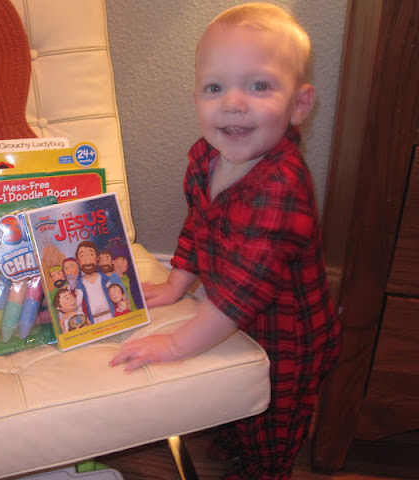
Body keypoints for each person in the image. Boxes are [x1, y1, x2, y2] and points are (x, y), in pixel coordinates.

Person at [110, 3, 341, 479]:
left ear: (299, 105)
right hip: (234, 309)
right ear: (196, 96)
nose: (233, 103)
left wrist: (175, 346)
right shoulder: (205, 157)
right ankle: (238, 436)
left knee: (273, 420)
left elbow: (241, 295)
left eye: (259, 86)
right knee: (240, 404)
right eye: (215, 88)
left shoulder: (281, 189)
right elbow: (199, 225)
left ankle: (263, 468)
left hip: (287, 337)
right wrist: (177, 283)